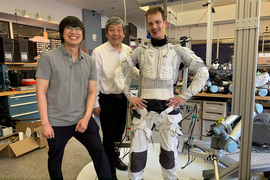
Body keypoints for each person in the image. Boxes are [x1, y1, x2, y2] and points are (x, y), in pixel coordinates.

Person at [114, 6, 209, 180]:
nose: (154, 26)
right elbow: (118, 73)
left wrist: (184, 96)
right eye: (150, 23)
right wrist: (130, 95)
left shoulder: (177, 51)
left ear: (164, 23)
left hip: (168, 108)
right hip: (143, 109)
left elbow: (203, 72)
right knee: (137, 154)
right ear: (148, 26)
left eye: (157, 22)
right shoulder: (140, 52)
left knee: (169, 153)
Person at [36, 16, 112, 180]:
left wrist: (86, 118)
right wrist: (45, 123)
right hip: (56, 122)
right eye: (69, 28)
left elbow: (92, 92)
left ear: (82, 34)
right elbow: (41, 92)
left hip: (81, 118)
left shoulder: (89, 61)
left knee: (99, 152)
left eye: (78, 28)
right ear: (62, 33)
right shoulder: (48, 58)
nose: (74, 31)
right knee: (55, 160)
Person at [92, 16, 138, 180]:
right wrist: (95, 104)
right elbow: (94, 79)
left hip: (124, 99)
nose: (116, 33)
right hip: (106, 99)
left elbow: (133, 70)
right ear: (107, 33)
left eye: (119, 30)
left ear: (124, 33)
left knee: (119, 133)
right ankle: (109, 169)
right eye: (112, 30)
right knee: (109, 137)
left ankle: (115, 158)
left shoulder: (129, 50)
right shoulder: (98, 52)